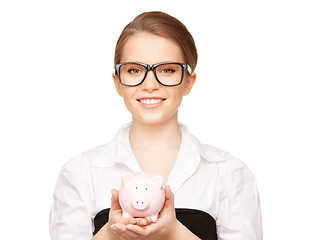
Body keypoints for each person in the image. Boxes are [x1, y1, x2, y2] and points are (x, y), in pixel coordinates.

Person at [49, 11, 263, 240]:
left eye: (167, 70)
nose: (150, 84)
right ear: (117, 82)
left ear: (189, 82)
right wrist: (111, 234)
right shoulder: (81, 173)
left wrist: (174, 231)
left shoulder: (229, 173)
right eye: (134, 70)